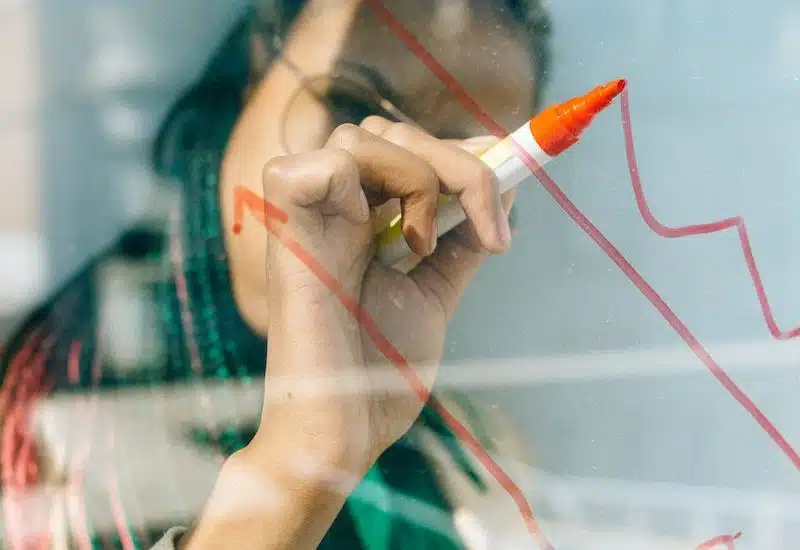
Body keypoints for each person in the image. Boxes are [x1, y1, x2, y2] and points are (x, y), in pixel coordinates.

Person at [0, 0, 552, 548]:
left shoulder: (479, 460)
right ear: (253, 77)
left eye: (454, 180)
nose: (396, 187)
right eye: (350, 107)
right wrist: (297, 467)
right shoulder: (39, 420)